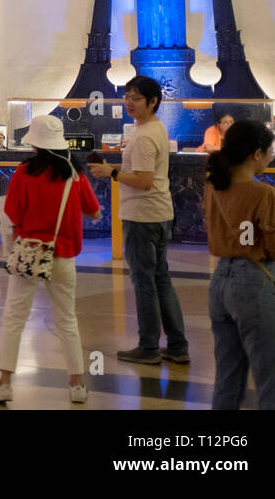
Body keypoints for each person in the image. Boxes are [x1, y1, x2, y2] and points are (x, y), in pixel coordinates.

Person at [0, 115, 102, 405]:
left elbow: (13, 213)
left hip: (30, 254)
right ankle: (77, 386)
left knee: (14, 318)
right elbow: (94, 210)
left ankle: (4, 383)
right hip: (63, 256)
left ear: (35, 144)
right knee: (67, 320)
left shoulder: (24, 172)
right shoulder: (73, 175)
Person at [87, 75, 189, 366]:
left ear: (153, 101)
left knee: (145, 282)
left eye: (135, 98)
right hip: (157, 213)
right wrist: (116, 167)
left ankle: (148, 347)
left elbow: (144, 181)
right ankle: (178, 346)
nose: (129, 102)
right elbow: (145, 172)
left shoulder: (144, 135)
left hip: (143, 217)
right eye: (127, 96)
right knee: (160, 280)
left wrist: (113, 174)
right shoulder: (152, 129)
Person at [203, 120, 275, 410]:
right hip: (254, 284)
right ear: (256, 154)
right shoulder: (263, 193)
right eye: (268, 153)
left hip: (220, 282)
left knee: (228, 379)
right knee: (272, 380)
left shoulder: (213, 186)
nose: (269, 160)